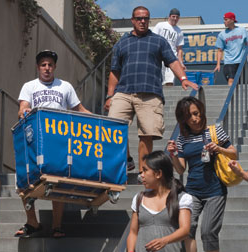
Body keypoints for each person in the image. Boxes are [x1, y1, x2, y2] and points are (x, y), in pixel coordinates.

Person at [104, 6, 198, 181]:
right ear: (132, 20)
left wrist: (183, 78)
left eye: (145, 18)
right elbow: (114, 71)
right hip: (123, 92)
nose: (142, 21)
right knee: (113, 129)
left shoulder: (158, 41)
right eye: (139, 18)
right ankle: (126, 160)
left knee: (146, 134)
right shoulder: (122, 43)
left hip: (150, 93)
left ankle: (143, 172)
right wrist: (110, 95)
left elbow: (173, 61)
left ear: (149, 21)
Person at [15, 50, 90, 238]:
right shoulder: (29, 86)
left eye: (50, 65)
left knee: (57, 182)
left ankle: (57, 226)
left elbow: (79, 109)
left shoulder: (65, 86)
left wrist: (105, 122)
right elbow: (22, 108)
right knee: (25, 181)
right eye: (43, 65)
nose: (47, 68)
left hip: (59, 143)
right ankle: (32, 222)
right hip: (35, 142)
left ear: (54, 67)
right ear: (38, 67)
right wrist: (25, 111)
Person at [167, 96, 237, 252]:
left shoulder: (215, 131)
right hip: (192, 191)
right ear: (183, 120)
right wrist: (174, 155)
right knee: (187, 229)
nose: (194, 118)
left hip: (215, 190)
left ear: (201, 111)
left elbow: (234, 153)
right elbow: (180, 170)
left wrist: (219, 149)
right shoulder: (182, 139)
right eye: (189, 116)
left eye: (196, 113)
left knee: (208, 232)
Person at [127, 150, 192, 252]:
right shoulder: (139, 199)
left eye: (145, 170)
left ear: (158, 174)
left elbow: (185, 230)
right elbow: (133, 232)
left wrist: (165, 240)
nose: (141, 175)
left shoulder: (181, 198)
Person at [153, 8, 186, 86]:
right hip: (159, 56)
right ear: (169, 16)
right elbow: (153, 39)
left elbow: (179, 49)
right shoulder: (160, 25)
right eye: (173, 16)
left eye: (177, 17)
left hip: (171, 58)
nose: (175, 19)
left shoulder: (179, 31)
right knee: (158, 79)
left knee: (169, 81)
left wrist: (181, 63)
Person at [214, 12, 248, 86]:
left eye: (226, 19)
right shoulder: (222, 34)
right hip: (229, 62)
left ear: (232, 20)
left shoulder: (242, 30)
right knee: (231, 80)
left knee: (242, 83)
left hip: (242, 62)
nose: (224, 21)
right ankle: (231, 97)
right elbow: (220, 50)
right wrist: (218, 64)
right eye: (224, 19)